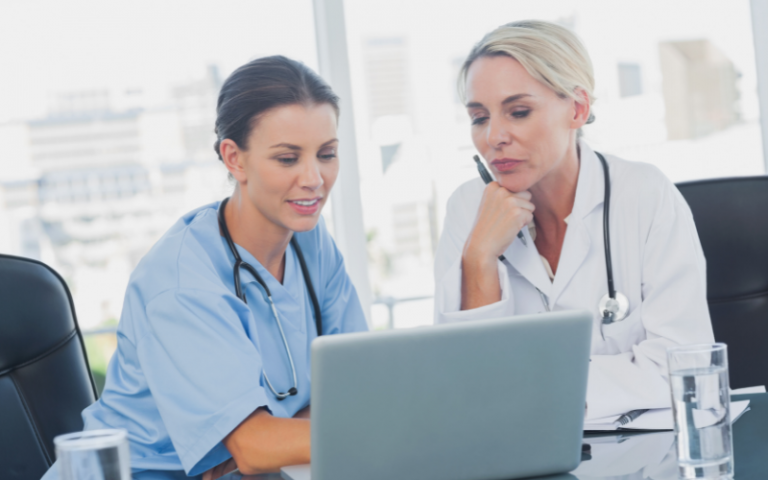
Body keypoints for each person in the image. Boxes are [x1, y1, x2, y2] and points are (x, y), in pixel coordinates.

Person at [41, 55, 368, 480]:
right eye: (287, 159)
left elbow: (355, 387)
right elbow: (254, 447)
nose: (314, 178)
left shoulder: (311, 242)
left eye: (326, 154)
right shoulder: (181, 281)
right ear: (234, 159)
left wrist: (270, 437)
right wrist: (260, 442)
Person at [434, 20, 714, 421]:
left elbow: (684, 369)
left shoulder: (644, 195)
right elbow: (465, 388)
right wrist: (478, 257)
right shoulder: (466, 209)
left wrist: (525, 389)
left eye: (518, 111)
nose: (494, 136)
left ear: (578, 108)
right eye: (479, 117)